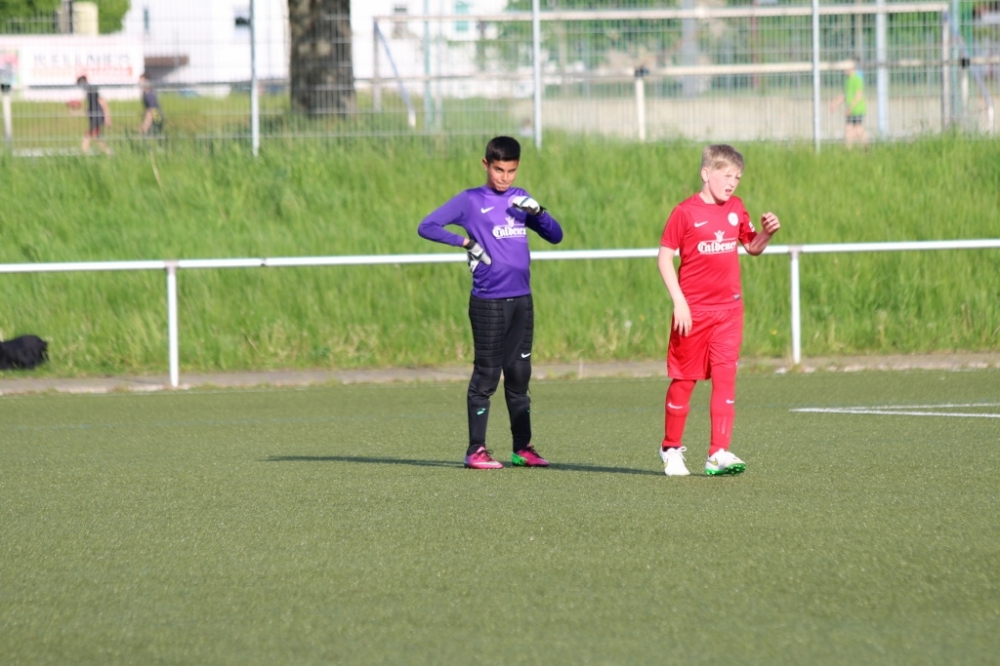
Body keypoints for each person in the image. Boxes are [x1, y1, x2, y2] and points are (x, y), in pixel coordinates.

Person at [418, 136, 564, 469]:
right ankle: (475, 450)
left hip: (522, 301)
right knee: (486, 376)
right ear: (486, 164)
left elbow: (556, 236)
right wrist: (466, 242)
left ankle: (522, 449)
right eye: (499, 170)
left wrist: (539, 213)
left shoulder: (520, 198)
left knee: (519, 375)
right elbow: (426, 226)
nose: (504, 178)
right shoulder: (471, 200)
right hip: (489, 302)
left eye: (511, 171)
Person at [656, 144, 780, 477]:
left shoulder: (736, 208)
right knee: (685, 381)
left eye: (737, 177)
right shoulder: (684, 212)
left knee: (725, 379)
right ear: (706, 173)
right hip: (693, 313)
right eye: (726, 176)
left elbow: (752, 246)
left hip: (729, 311)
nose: (732, 183)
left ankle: (718, 453)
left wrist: (767, 233)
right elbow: (664, 258)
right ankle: (670, 448)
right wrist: (679, 302)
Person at [830, 63, 868, 147]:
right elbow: (844, 94)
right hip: (850, 110)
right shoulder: (847, 80)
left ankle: (866, 147)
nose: (845, 70)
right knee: (848, 129)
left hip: (858, 109)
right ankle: (848, 149)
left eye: (846, 68)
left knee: (858, 129)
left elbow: (858, 96)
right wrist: (835, 104)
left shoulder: (857, 79)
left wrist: (850, 108)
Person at [75, 75, 112, 155]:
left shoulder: (92, 90)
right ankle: (108, 153)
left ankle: (83, 153)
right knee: (98, 138)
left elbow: (103, 103)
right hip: (94, 118)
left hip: (97, 118)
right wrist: (77, 113)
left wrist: (107, 118)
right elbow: (89, 110)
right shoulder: (88, 92)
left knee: (88, 136)